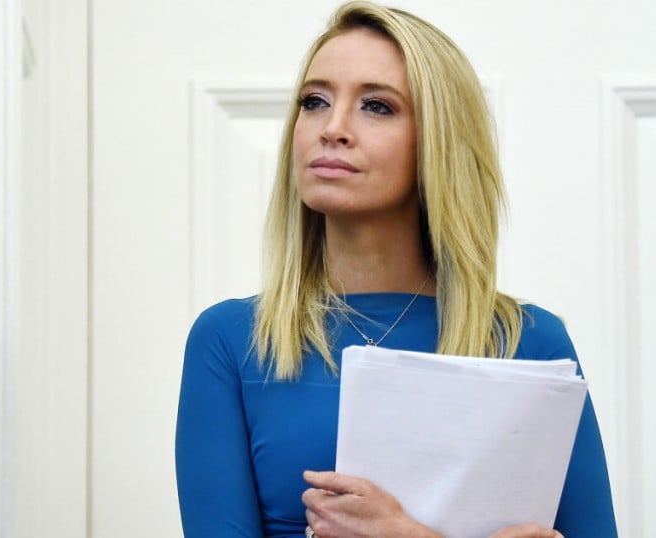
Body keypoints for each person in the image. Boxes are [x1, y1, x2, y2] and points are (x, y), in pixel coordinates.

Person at [175, 2, 617, 536]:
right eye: (314, 101)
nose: (332, 128)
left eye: (377, 106)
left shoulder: (532, 343)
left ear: (439, 142)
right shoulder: (231, 341)